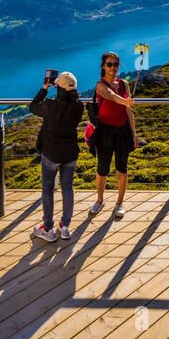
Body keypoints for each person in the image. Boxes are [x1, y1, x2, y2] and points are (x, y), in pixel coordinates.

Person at [30, 71, 84, 243]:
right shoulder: (79, 106)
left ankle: (48, 228)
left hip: (51, 153)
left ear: (57, 88)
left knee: (47, 189)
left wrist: (45, 89)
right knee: (67, 188)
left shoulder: (51, 106)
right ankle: (66, 227)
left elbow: (33, 106)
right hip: (70, 153)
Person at [91, 52, 138, 219]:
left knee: (122, 168)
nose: (113, 67)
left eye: (116, 64)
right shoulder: (100, 85)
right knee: (102, 168)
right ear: (103, 66)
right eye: (109, 64)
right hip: (105, 131)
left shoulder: (124, 84)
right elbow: (110, 96)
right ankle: (99, 200)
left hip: (123, 131)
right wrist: (125, 101)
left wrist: (133, 134)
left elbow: (128, 111)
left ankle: (119, 203)